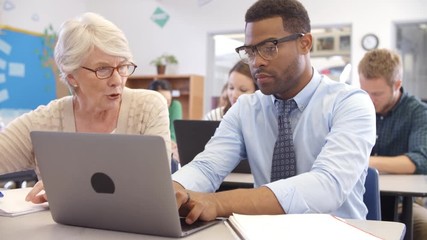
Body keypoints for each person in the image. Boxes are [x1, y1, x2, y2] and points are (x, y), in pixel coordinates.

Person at [172, 0, 376, 225]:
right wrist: (174, 190)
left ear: (305, 43)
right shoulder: (246, 108)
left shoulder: (350, 103)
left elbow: (327, 185)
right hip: (264, 231)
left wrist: (219, 202)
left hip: (338, 232)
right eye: (250, 51)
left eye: (270, 48)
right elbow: (207, 167)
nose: (257, 62)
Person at [0, 12, 171, 204]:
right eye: (103, 69)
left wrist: (72, 188)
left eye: (123, 66)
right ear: (71, 75)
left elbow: (157, 187)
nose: (117, 81)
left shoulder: (148, 107)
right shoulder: (44, 121)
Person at [358, 48, 427, 240]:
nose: (369, 100)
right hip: (357, 196)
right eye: (365, 92)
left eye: (377, 94)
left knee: (423, 227)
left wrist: (365, 160)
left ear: (397, 85)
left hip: (403, 203)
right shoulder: (355, 107)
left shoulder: (418, 112)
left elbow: (420, 161)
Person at [148, 79, 183, 172]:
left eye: (168, 101)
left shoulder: (175, 106)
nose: (165, 105)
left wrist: (169, 142)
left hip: (168, 147)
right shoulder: (146, 110)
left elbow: (173, 134)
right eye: (162, 100)